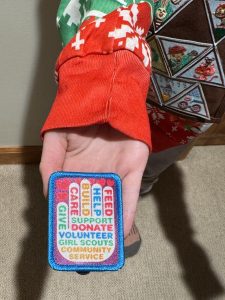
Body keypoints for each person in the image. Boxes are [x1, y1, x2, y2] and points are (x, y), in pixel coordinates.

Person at [40, 0, 225, 256]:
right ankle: (120, 197)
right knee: (121, 159)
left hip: (201, 95)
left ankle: (140, 187)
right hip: (137, 50)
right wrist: (102, 75)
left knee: (160, 154)